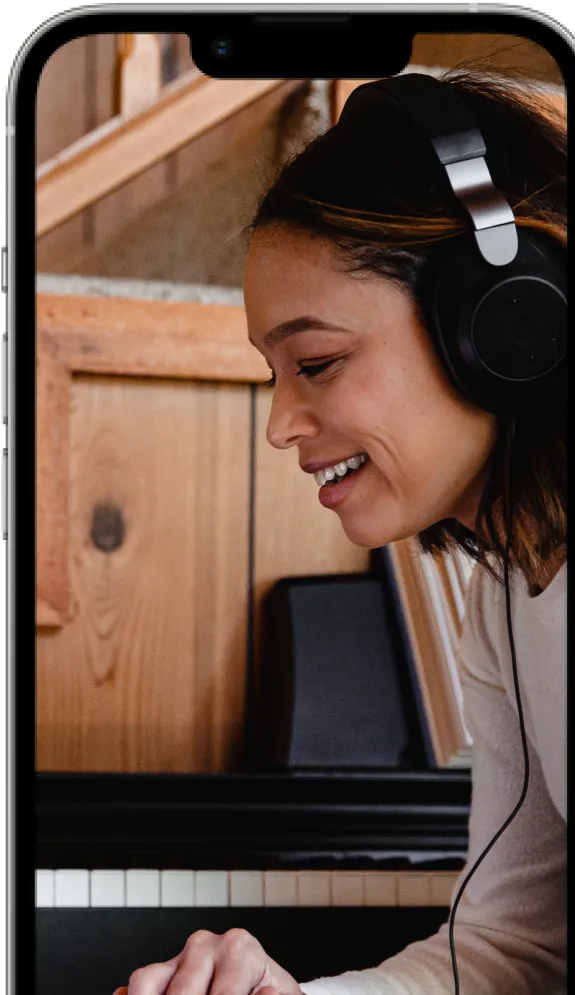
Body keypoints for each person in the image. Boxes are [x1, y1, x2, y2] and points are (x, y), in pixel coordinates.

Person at [114, 64, 567, 995]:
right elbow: (515, 950)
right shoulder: (506, 597)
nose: (280, 423)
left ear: (503, 324)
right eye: (274, 373)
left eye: (315, 362)